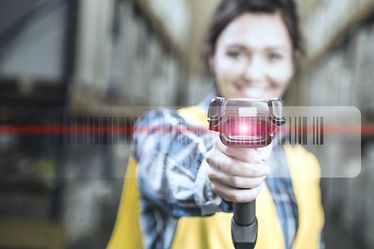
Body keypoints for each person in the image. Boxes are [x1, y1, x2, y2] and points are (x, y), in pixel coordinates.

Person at [107, 0, 324, 248]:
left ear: (293, 63)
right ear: (212, 56)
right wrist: (213, 175)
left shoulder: (305, 164)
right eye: (236, 53)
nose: (252, 73)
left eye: (273, 56)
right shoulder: (163, 131)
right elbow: (167, 154)